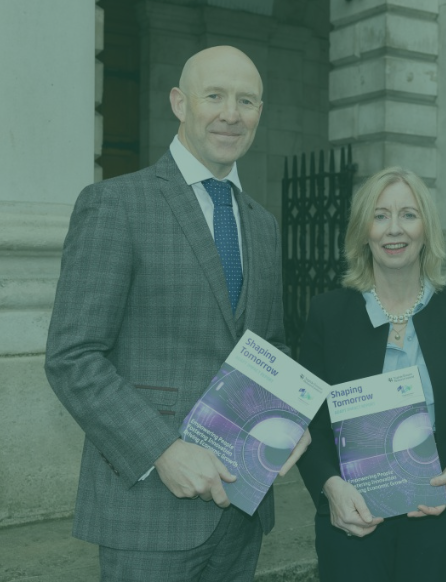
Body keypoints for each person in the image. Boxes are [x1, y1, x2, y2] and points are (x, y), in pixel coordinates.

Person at [45, 46, 309, 582]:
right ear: (179, 103)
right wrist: (162, 450)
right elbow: (72, 356)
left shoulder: (262, 225)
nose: (231, 113)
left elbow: (270, 346)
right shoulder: (116, 204)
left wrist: (288, 419)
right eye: (214, 96)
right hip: (147, 510)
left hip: (241, 510)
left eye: (247, 100)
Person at [296, 167, 446, 582]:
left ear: (426, 228)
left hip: (439, 516)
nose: (395, 230)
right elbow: (307, 421)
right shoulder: (327, 313)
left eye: (408, 214)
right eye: (380, 215)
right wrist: (331, 488)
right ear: (363, 230)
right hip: (353, 519)